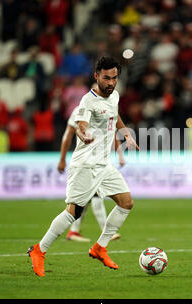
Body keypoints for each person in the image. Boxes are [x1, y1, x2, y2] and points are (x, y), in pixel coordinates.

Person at [28, 57, 139, 276]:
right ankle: (39, 250)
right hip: (86, 165)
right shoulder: (87, 102)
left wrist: (125, 132)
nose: (111, 82)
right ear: (96, 76)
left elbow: (114, 115)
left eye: (114, 78)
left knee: (126, 203)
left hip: (103, 164)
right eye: (106, 78)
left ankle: (100, 247)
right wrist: (84, 134)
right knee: (73, 213)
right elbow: (80, 126)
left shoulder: (114, 96)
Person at [57, 102, 125, 242]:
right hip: (87, 162)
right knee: (95, 196)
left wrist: (120, 155)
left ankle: (73, 232)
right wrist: (62, 159)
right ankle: (107, 232)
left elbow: (113, 133)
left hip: (101, 161)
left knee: (85, 199)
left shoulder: (108, 109)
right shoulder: (80, 111)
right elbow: (69, 134)